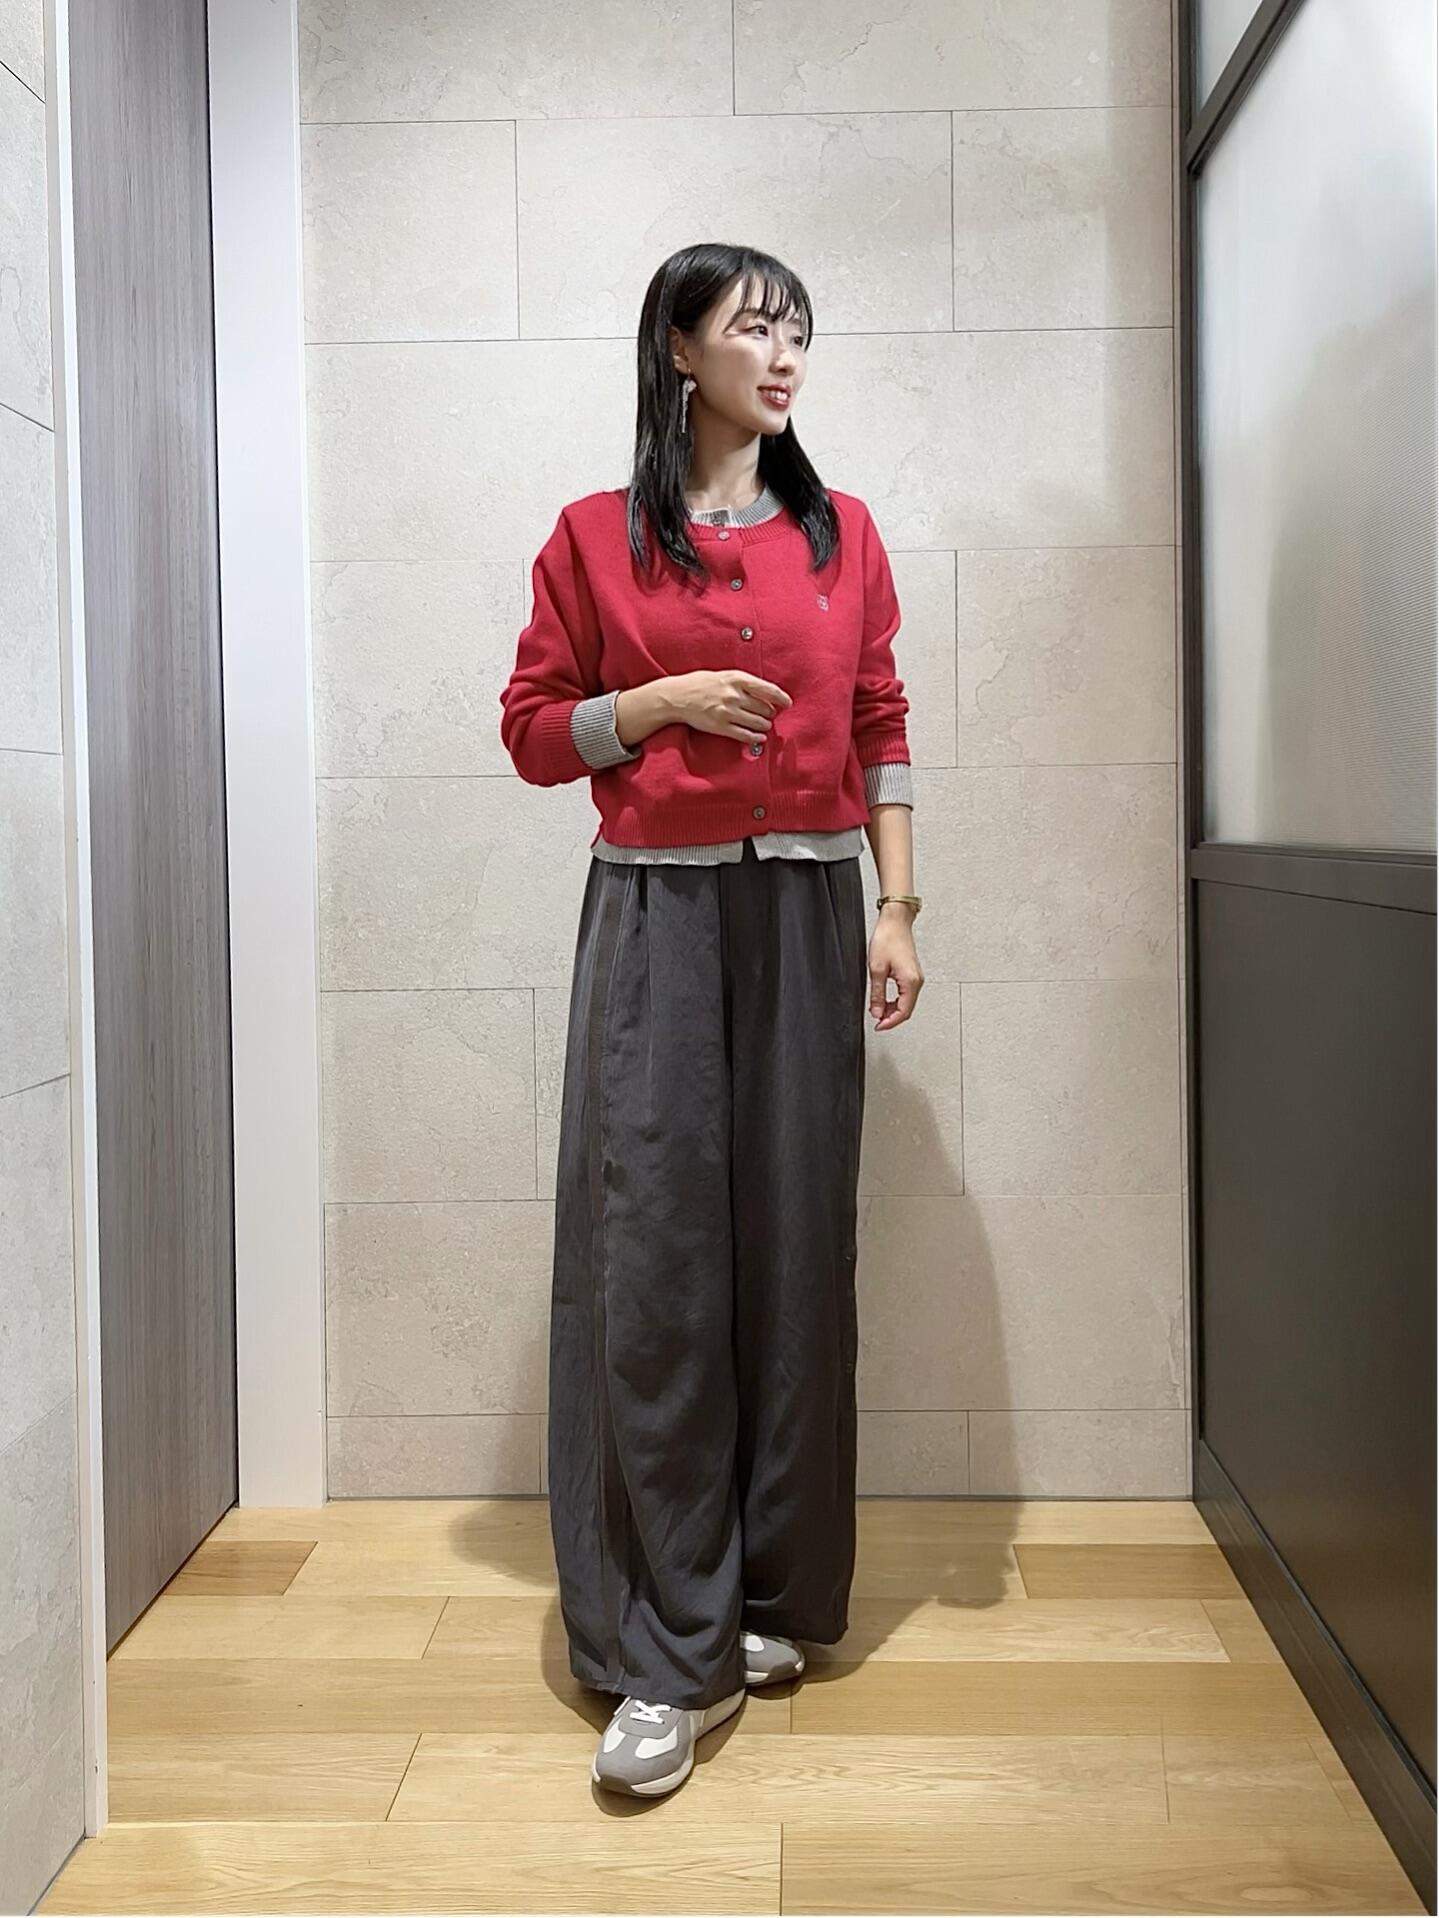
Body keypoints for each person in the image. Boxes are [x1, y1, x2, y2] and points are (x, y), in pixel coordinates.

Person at [498, 243, 924, 1798]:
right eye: (755, 327)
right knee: (662, 1262)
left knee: (796, 1249)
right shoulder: (592, 538)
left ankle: (767, 1593)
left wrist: (897, 903)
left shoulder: (843, 533)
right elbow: (534, 733)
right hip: (657, 921)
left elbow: (879, 719)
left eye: (800, 331)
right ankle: (659, 1651)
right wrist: (662, 704)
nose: (785, 354)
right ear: (681, 349)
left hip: (812, 913)